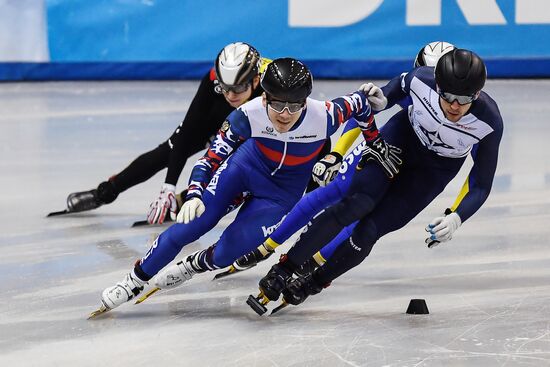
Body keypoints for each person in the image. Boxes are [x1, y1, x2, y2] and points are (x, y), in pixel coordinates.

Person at [90, 57, 386, 316]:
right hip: (244, 170)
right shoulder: (247, 115)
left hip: (280, 193)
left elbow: (361, 106)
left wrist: (375, 142)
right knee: (189, 227)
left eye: (294, 105)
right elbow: (210, 158)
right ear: (265, 98)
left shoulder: (325, 115)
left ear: (305, 101)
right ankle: (134, 281)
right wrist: (193, 194)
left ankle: (193, 266)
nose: (285, 113)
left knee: (228, 253)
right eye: (277, 104)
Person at [249, 48, 503, 313]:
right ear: (437, 85)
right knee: (355, 204)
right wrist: (381, 101)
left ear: (478, 94)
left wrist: (456, 217)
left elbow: (481, 182)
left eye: (464, 99)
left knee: (369, 231)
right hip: (400, 140)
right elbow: (388, 94)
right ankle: (284, 269)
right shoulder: (420, 80)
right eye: (448, 96)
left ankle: (313, 283)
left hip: (434, 170)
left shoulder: (489, 122)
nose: (454, 106)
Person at [223, 41, 456, 278]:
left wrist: (455, 215)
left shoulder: (466, 108)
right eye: (430, 81)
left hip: (425, 164)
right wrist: (338, 152)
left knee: (371, 214)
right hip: (397, 144)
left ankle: (314, 258)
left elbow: (480, 168)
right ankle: (268, 246)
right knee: (339, 189)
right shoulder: (418, 85)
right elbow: (364, 110)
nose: (440, 96)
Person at [64, 42, 268, 224]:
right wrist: (168, 187)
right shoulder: (213, 79)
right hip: (216, 118)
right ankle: (106, 192)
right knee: (167, 152)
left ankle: (184, 201)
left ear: (256, 81)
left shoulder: (273, 84)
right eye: (225, 88)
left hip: (252, 125)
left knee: (235, 167)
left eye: (239, 88)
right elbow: (186, 134)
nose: (231, 95)